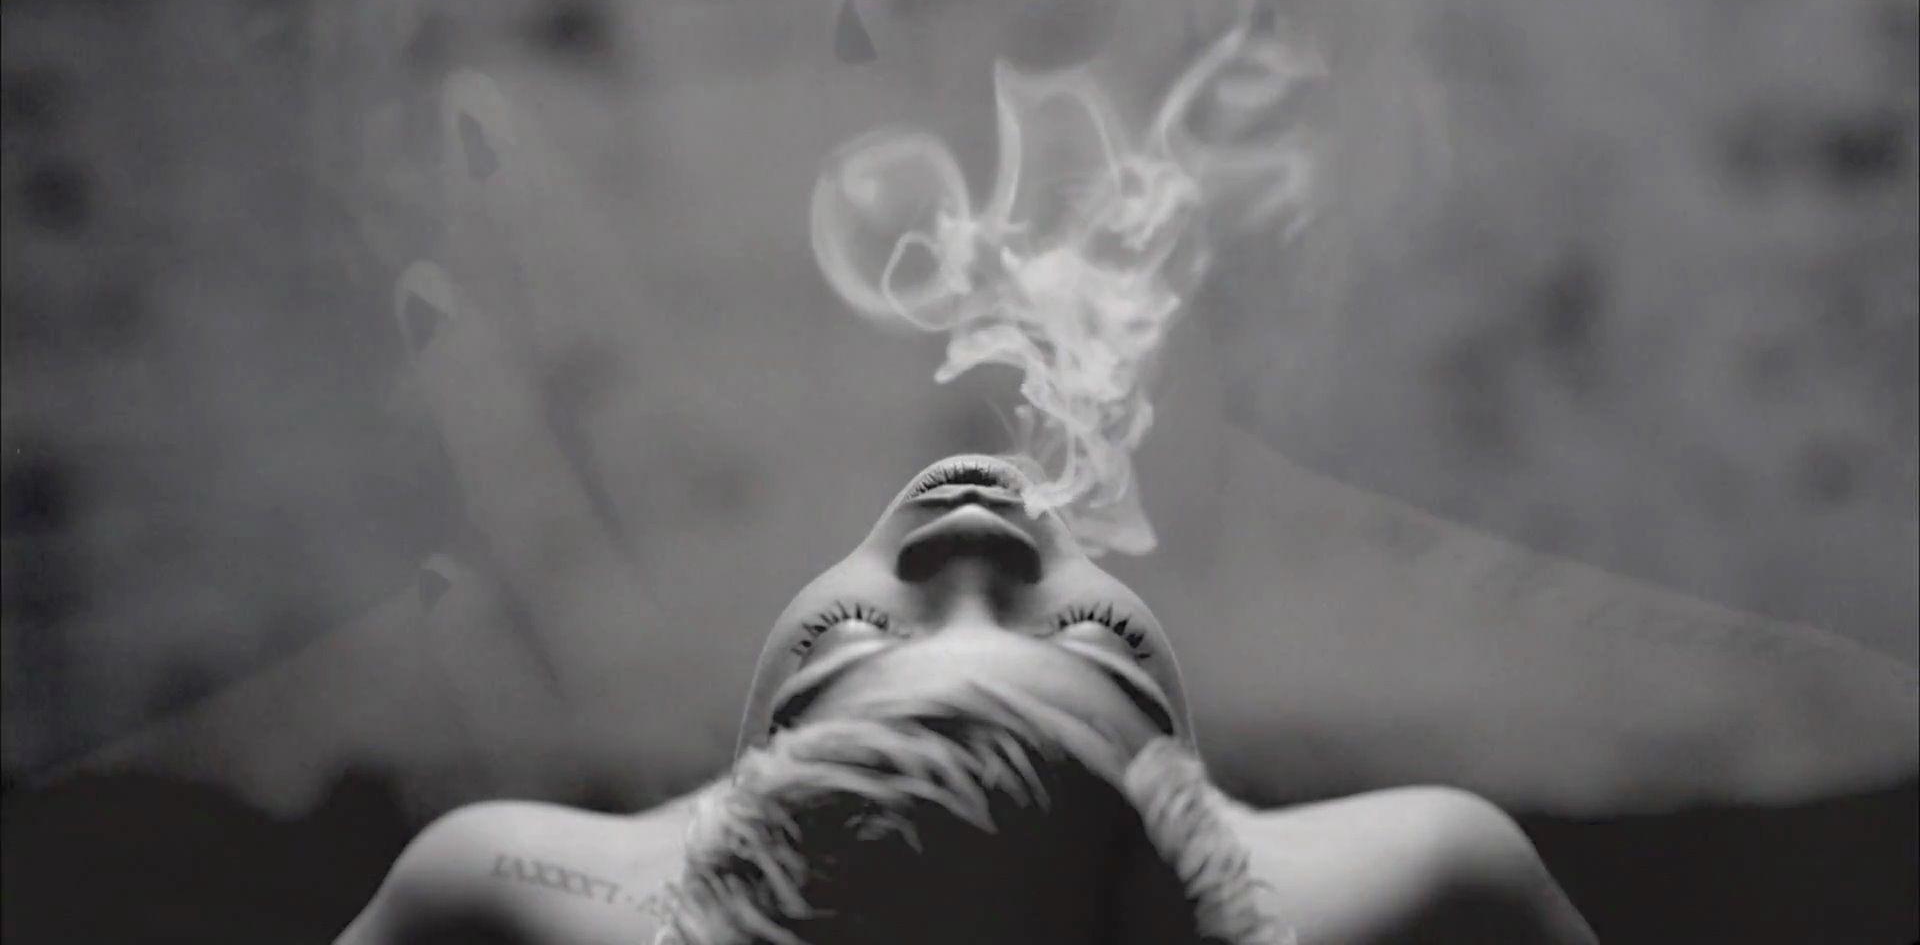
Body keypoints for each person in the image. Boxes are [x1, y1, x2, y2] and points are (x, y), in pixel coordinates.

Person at [335, 454, 1597, 945]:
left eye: (855, 638)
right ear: (1198, 826)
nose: (976, 536)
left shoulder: (500, 896)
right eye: (1095, 642)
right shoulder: (1428, 883)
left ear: (733, 800)